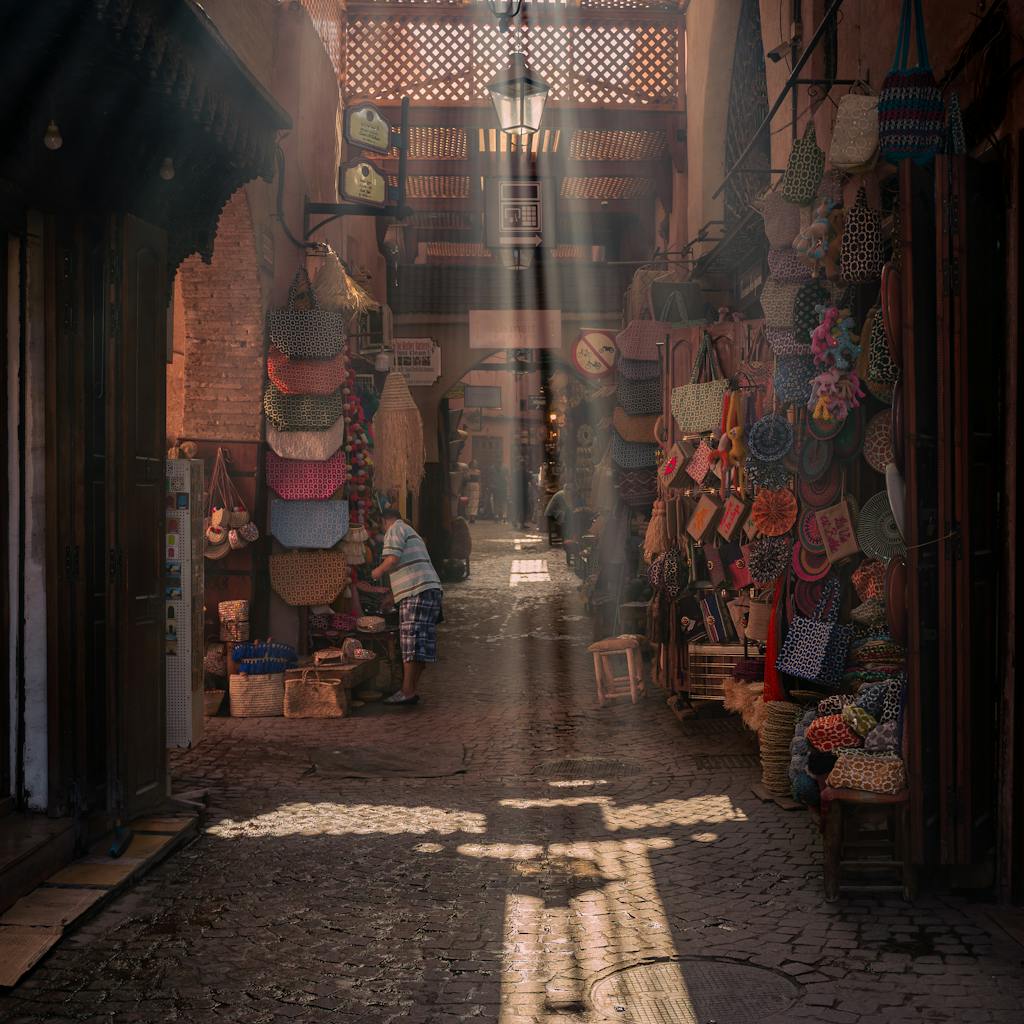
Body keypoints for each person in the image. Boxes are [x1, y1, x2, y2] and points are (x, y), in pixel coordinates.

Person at [370, 508, 444, 706]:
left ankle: (406, 691)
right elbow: (411, 566)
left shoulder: (395, 529)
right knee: (420, 644)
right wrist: (393, 597)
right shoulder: (412, 533)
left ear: (385, 521)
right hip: (429, 590)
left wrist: (375, 573)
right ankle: (410, 689)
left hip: (417, 593)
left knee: (410, 644)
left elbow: (392, 559)